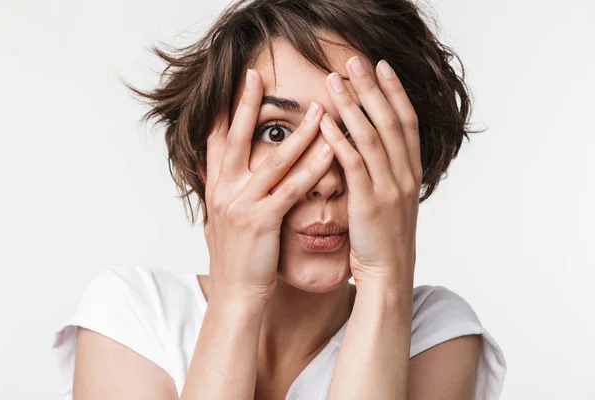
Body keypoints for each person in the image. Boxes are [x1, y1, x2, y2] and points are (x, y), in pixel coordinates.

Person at [51, 0, 507, 399]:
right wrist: (236, 298)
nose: (325, 179)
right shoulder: (133, 316)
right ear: (208, 159)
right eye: (276, 132)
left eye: (358, 130)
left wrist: (386, 277)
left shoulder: (435, 334)